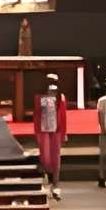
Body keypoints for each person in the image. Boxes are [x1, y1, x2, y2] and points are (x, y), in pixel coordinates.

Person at [33, 71, 68, 199]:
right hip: (43, 131)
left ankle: (56, 185)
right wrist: (36, 132)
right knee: (45, 157)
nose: (52, 86)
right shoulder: (39, 97)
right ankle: (47, 182)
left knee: (56, 158)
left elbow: (63, 117)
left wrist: (64, 133)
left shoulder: (61, 98)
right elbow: (36, 115)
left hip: (56, 131)